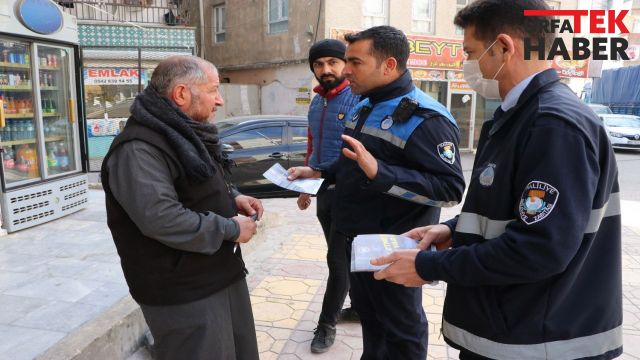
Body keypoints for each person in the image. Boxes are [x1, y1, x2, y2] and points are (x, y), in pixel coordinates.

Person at [372, 1, 623, 359]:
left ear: (504, 47)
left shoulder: (552, 125)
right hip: (513, 328)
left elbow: (538, 248)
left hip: (540, 342)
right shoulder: (517, 117)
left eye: (471, 53)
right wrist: (454, 231)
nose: (466, 67)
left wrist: (427, 266)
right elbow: (513, 212)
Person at [288, 26, 465, 359]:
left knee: (401, 330)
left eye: (355, 62)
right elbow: (352, 163)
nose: (346, 69)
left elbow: (450, 189)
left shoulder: (425, 118)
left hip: (394, 247)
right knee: (372, 323)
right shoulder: (365, 105)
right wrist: (319, 172)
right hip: (358, 240)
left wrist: (381, 173)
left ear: (388, 65)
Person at [101, 55, 263, 360]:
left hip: (218, 275)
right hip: (182, 292)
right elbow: (161, 217)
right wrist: (230, 228)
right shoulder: (138, 148)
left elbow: (196, 186)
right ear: (181, 94)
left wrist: (233, 199)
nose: (219, 101)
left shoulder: (183, 133)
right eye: (214, 90)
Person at [298, 39, 361, 353]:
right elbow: (313, 146)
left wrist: (320, 174)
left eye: (332, 63)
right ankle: (360, 308)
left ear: (345, 64)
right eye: (319, 64)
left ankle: (326, 326)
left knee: (337, 261)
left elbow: (355, 155)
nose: (325, 70)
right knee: (345, 260)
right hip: (324, 192)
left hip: (350, 193)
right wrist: (306, 187)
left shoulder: (356, 100)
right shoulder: (316, 102)